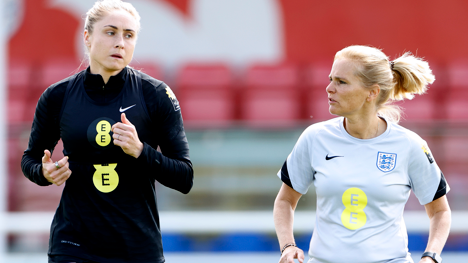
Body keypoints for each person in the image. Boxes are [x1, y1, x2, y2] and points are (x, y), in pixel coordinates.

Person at [21, 0, 193, 262]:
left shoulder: (156, 95)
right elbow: (30, 159)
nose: (120, 42)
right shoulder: (57, 96)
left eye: (129, 35)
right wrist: (44, 172)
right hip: (72, 244)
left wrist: (140, 151)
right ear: (88, 38)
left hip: (137, 248)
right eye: (111, 32)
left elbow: (185, 177)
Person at [273, 45, 451, 263]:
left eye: (341, 82)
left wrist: (431, 256)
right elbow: (285, 201)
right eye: (331, 79)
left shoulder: (410, 145)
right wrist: (288, 246)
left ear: (372, 92)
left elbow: (440, 212)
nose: (329, 88)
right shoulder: (315, 137)